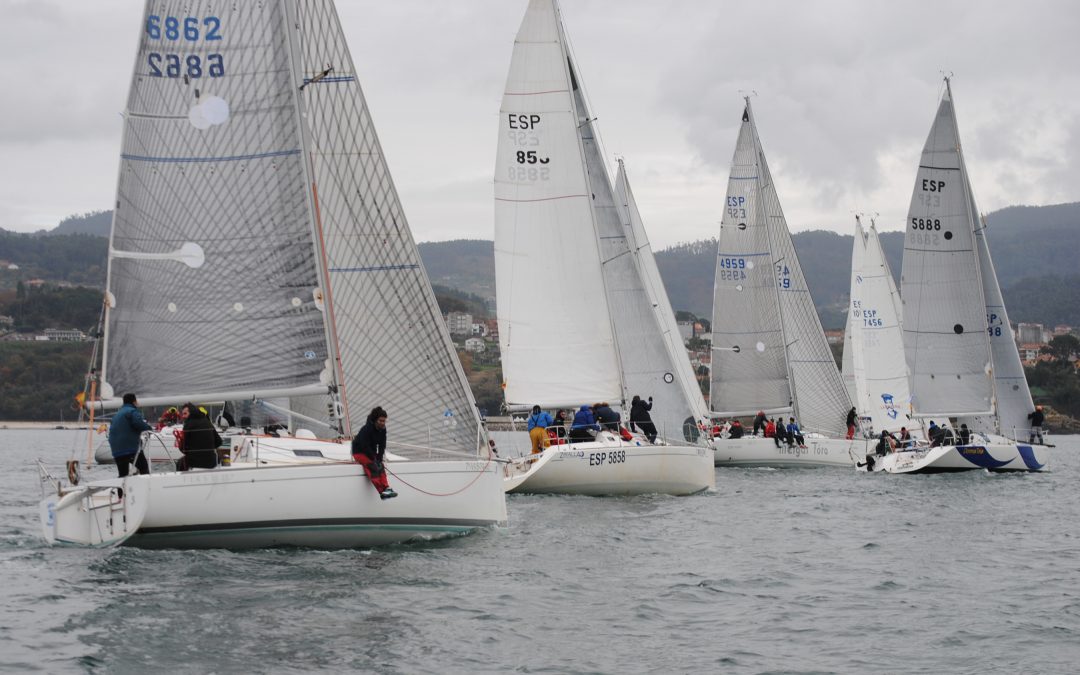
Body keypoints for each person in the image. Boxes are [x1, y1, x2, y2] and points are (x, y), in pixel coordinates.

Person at [352, 406, 397, 500]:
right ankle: (381, 491)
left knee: (380, 465)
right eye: (380, 420)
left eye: (384, 421)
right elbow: (364, 445)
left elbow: (382, 445)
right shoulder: (367, 429)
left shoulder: (383, 430)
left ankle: (386, 488)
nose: (382, 423)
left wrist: (379, 458)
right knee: (372, 466)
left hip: (370, 452)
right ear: (375, 420)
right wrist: (373, 458)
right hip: (359, 452)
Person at [108, 393, 152, 478]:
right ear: (134, 402)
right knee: (144, 468)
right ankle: (145, 489)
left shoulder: (117, 414)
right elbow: (138, 424)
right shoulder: (132, 411)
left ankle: (121, 491)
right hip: (130, 448)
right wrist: (149, 428)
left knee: (123, 474)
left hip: (116, 449)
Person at [178, 403, 222, 470]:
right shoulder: (207, 422)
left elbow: (183, 449)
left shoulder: (188, 424)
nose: (183, 416)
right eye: (183, 414)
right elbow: (219, 442)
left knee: (179, 463)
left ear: (191, 412)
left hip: (195, 463)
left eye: (185, 413)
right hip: (211, 462)